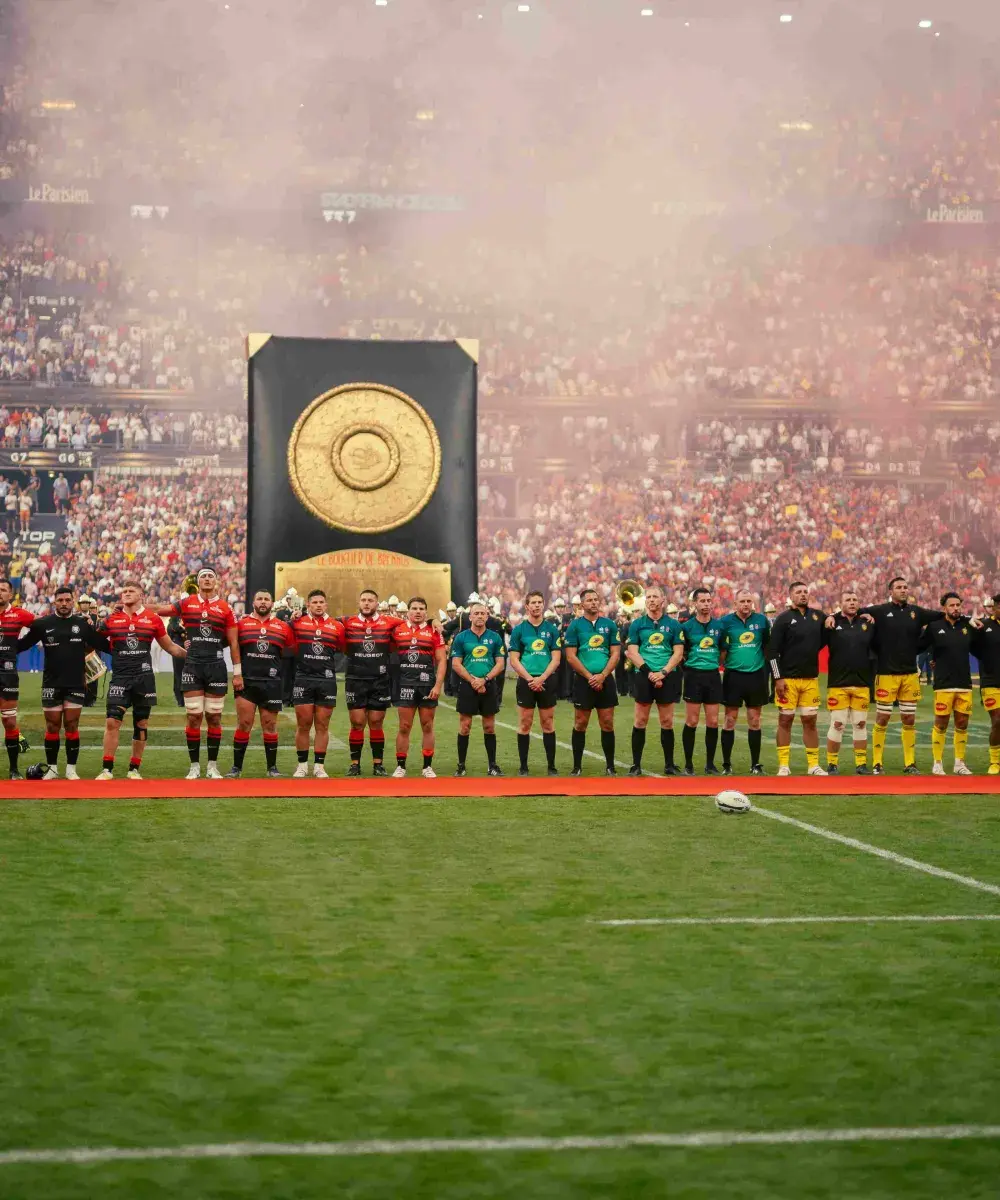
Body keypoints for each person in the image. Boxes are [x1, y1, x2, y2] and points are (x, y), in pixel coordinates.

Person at [95, 579, 187, 780]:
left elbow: (170, 647)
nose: (126, 593)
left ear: (141, 596)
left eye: (131, 590)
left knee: (141, 724)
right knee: (112, 722)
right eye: (124, 590)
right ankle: (107, 769)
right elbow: (94, 640)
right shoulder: (111, 619)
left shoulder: (152, 619)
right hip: (120, 678)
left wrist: (191, 656)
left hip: (144, 678)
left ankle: (134, 769)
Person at [158, 567, 242, 780]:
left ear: (217, 582)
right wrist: (136, 606)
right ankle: (194, 766)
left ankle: (212, 766)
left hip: (216, 666)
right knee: (194, 717)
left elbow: (233, 643)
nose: (206, 579)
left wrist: (238, 672)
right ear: (199, 581)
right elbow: (162, 609)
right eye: (203, 576)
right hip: (193, 665)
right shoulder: (187, 603)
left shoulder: (225, 608)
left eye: (210, 576)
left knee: (214, 717)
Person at [16, 586, 109, 780]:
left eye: (68, 600)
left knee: (72, 725)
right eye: (61, 600)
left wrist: (125, 649)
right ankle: (52, 768)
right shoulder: (43, 624)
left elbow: (102, 644)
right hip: (51, 683)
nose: (64, 604)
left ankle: (71, 769)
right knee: (52, 726)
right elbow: (22, 645)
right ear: (54, 602)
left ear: (73, 601)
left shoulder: (82, 624)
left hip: (75, 683)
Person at [857, 577, 945, 776]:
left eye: (905, 587)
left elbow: (942, 616)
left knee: (908, 719)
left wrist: (966, 620)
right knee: (882, 718)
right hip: (886, 673)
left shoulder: (917, 612)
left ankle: (910, 763)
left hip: (909, 674)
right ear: (890, 590)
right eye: (899, 587)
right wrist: (834, 617)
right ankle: (877, 763)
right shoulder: (879, 611)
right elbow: (855, 611)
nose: (903, 590)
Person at [227, 589, 294, 779]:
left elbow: (291, 649)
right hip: (246, 681)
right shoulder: (242, 624)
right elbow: (232, 646)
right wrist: (237, 674)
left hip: (272, 682)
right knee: (244, 723)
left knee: (270, 725)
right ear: (253, 602)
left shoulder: (282, 627)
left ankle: (272, 768)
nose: (263, 602)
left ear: (272, 604)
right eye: (259, 599)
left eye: (266, 599)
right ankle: (236, 768)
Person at [768, 581, 827, 776]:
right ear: (791, 596)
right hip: (788, 680)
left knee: (810, 722)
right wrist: (778, 678)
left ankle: (813, 765)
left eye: (805, 592)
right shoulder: (783, 619)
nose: (803, 595)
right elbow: (772, 651)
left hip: (810, 679)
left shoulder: (818, 617)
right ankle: (784, 765)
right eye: (799, 592)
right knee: (785, 720)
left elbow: (836, 625)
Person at [341, 588, 402, 777]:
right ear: (359, 603)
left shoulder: (389, 622)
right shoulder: (347, 622)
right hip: (355, 679)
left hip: (379, 680)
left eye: (370, 600)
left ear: (377, 604)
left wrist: (434, 623)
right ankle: (355, 764)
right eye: (363, 600)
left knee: (376, 722)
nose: (366, 603)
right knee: (357, 723)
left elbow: (410, 623)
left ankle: (378, 764)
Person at [625, 585, 684, 776]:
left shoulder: (674, 625)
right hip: (644, 675)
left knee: (667, 721)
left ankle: (669, 765)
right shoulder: (637, 624)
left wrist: (664, 672)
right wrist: (650, 672)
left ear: (662, 600)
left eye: (655, 597)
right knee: (640, 720)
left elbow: (678, 653)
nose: (651, 600)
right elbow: (632, 652)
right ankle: (635, 765)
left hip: (667, 675)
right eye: (648, 597)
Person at [564, 587, 620, 776]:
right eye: (589, 600)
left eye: (596, 599)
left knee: (607, 723)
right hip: (583, 681)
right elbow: (571, 656)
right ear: (582, 604)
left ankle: (610, 766)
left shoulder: (610, 625)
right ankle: (577, 766)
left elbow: (615, 653)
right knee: (580, 723)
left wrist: (603, 675)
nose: (594, 602)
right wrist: (590, 677)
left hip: (605, 680)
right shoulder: (575, 626)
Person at [390, 595, 447, 778]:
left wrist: (438, 686)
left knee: (427, 726)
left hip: (427, 685)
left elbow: (441, 660)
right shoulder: (397, 630)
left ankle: (427, 767)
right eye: (414, 608)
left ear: (426, 612)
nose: (418, 612)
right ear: (408, 611)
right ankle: (401, 766)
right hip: (405, 684)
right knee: (404, 726)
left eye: (421, 609)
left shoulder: (434, 631)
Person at [290, 589, 345, 779]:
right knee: (303, 724)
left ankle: (319, 766)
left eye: (321, 602)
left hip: (326, 680)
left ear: (326, 604)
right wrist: (291, 617)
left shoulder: (336, 626)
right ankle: (302, 765)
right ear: (308, 604)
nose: (318, 605)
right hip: (303, 678)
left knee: (322, 725)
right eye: (315, 602)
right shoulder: (298, 622)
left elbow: (344, 647)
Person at [508, 589, 562, 776]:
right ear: (527, 606)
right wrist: (530, 679)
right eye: (534, 602)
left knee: (548, 723)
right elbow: (514, 659)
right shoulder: (519, 630)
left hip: (546, 680)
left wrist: (542, 678)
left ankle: (552, 766)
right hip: (526, 681)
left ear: (543, 605)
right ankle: (523, 766)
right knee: (525, 723)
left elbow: (556, 658)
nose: (537, 605)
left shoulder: (552, 629)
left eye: (540, 602)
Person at [920, 593, 974, 776]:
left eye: (958, 605)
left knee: (962, 723)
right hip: (943, 683)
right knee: (941, 723)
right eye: (952, 605)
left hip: (964, 684)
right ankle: (937, 762)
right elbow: (920, 646)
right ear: (944, 608)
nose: (956, 608)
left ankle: (959, 763)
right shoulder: (934, 627)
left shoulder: (968, 626)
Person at [718, 588, 771, 776]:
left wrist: (767, 673)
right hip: (733, 676)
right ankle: (726, 764)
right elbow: (721, 650)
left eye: (749, 601)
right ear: (735, 604)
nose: (746, 604)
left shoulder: (762, 621)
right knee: (730, 719)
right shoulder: (725, 622)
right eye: (742, 601)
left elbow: (767, 647)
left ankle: (755, 764)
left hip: (756, 676)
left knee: (754, 720)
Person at [451, 600, 506, 777]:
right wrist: (473, 681)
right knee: (465, 726)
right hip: (468, 686)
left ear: (487, 616)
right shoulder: (461, 637)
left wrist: (485, 679)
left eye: (483, 613)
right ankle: (461, 765)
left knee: (489, 726)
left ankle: (492, 765)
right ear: (470, 616)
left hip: (489, 686)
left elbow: (500, 663)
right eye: (476, 613)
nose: (480, 616)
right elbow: (456, 664)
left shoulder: (495, 637)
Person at [822, 591, 874, 775]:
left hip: (861, 683)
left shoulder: (868, 623)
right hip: (838, 683)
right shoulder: (832, 623)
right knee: (838, 724)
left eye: (855, 600)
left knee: (860, 723)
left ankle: (861, 764)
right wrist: (830, 615)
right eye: (848, 600)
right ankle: (832, 764)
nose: (852, 603)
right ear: (840, 604)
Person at [678, 587, 725, 775]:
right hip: (693, 676)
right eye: (702, 601)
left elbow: (723, 652)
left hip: (712, 676)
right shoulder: (687, 627)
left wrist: (712, 664)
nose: (706, 604)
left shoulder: (719, 627)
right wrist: (692, 666)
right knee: (692, 721)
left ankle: (710, 764)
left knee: (713, 721)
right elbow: (681, 653)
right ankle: (688, 765)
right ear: (694, 604)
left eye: (708, 601)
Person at [0, 578, 35, 779]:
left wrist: (21, 645)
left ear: (10, 595)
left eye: (4, 590)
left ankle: (14, 770)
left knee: (10, 722)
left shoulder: (18, 614)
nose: (0, 593)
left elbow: (39, 627)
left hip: (7, 674)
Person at [972, 593, 1000, 775]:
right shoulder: (984, 626)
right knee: (997, 721)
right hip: (991, 680)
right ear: (994, 608)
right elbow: (971, 647)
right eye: (998, 606)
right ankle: (994, 761)